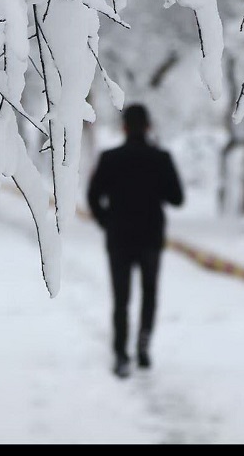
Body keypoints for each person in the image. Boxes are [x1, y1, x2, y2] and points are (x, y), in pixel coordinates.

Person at [87, 104, 184, 378]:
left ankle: (120, 354)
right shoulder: (161, 158)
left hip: (118, 237)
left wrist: (107, 221)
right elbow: (177, 198)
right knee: (149, 293)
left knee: (121, 298)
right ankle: (143, 346)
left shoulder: (109, 158)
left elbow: (93, 197)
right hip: (151, 237)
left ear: (125, 127)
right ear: (148, 126)